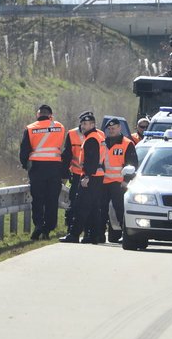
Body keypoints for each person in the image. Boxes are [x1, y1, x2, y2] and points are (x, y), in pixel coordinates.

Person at [19, 104, 66, 240]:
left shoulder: (30, 128)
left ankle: (38, 225)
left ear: (37, 115)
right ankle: (48, 228)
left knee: (38, 199)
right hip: (55, 168)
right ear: (51, 115)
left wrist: (25, 165)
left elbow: (24, 151)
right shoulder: (60, 127)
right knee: (52, 199)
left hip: (37, 169)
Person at [62, 112, 107, 244]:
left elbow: (91, 160)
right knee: (94, 208)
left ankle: (74, 234)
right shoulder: (98, 136)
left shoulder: (91, 138)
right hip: (98, 176)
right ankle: (95, 236)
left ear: (93, 124)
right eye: (82, 123)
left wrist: (86, 176)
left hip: (91, 177)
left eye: (87, 124)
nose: (83, 126)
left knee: (81, 206)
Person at [100, 119, 137, 243]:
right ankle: (99, 234)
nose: (111, 130)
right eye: (109, 129)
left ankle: (124, 233)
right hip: (103, 182)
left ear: (119, 128)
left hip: (119, 183)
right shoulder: (103, 143)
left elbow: (132, 165)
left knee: (120, 209)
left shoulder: (127, 143)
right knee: (101, 209)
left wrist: (126, 181)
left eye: (114, 128)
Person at [60, 115, 88, 235]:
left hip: (92, 176)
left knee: (90, 203)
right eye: (84, 123)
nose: (86, 126)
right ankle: (71, 228)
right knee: (74, 201)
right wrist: (64, 174)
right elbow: (66, 155)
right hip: (76, 175)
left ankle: (88, 230)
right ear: (80, 123)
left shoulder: (99, 135)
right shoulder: (72, 134)